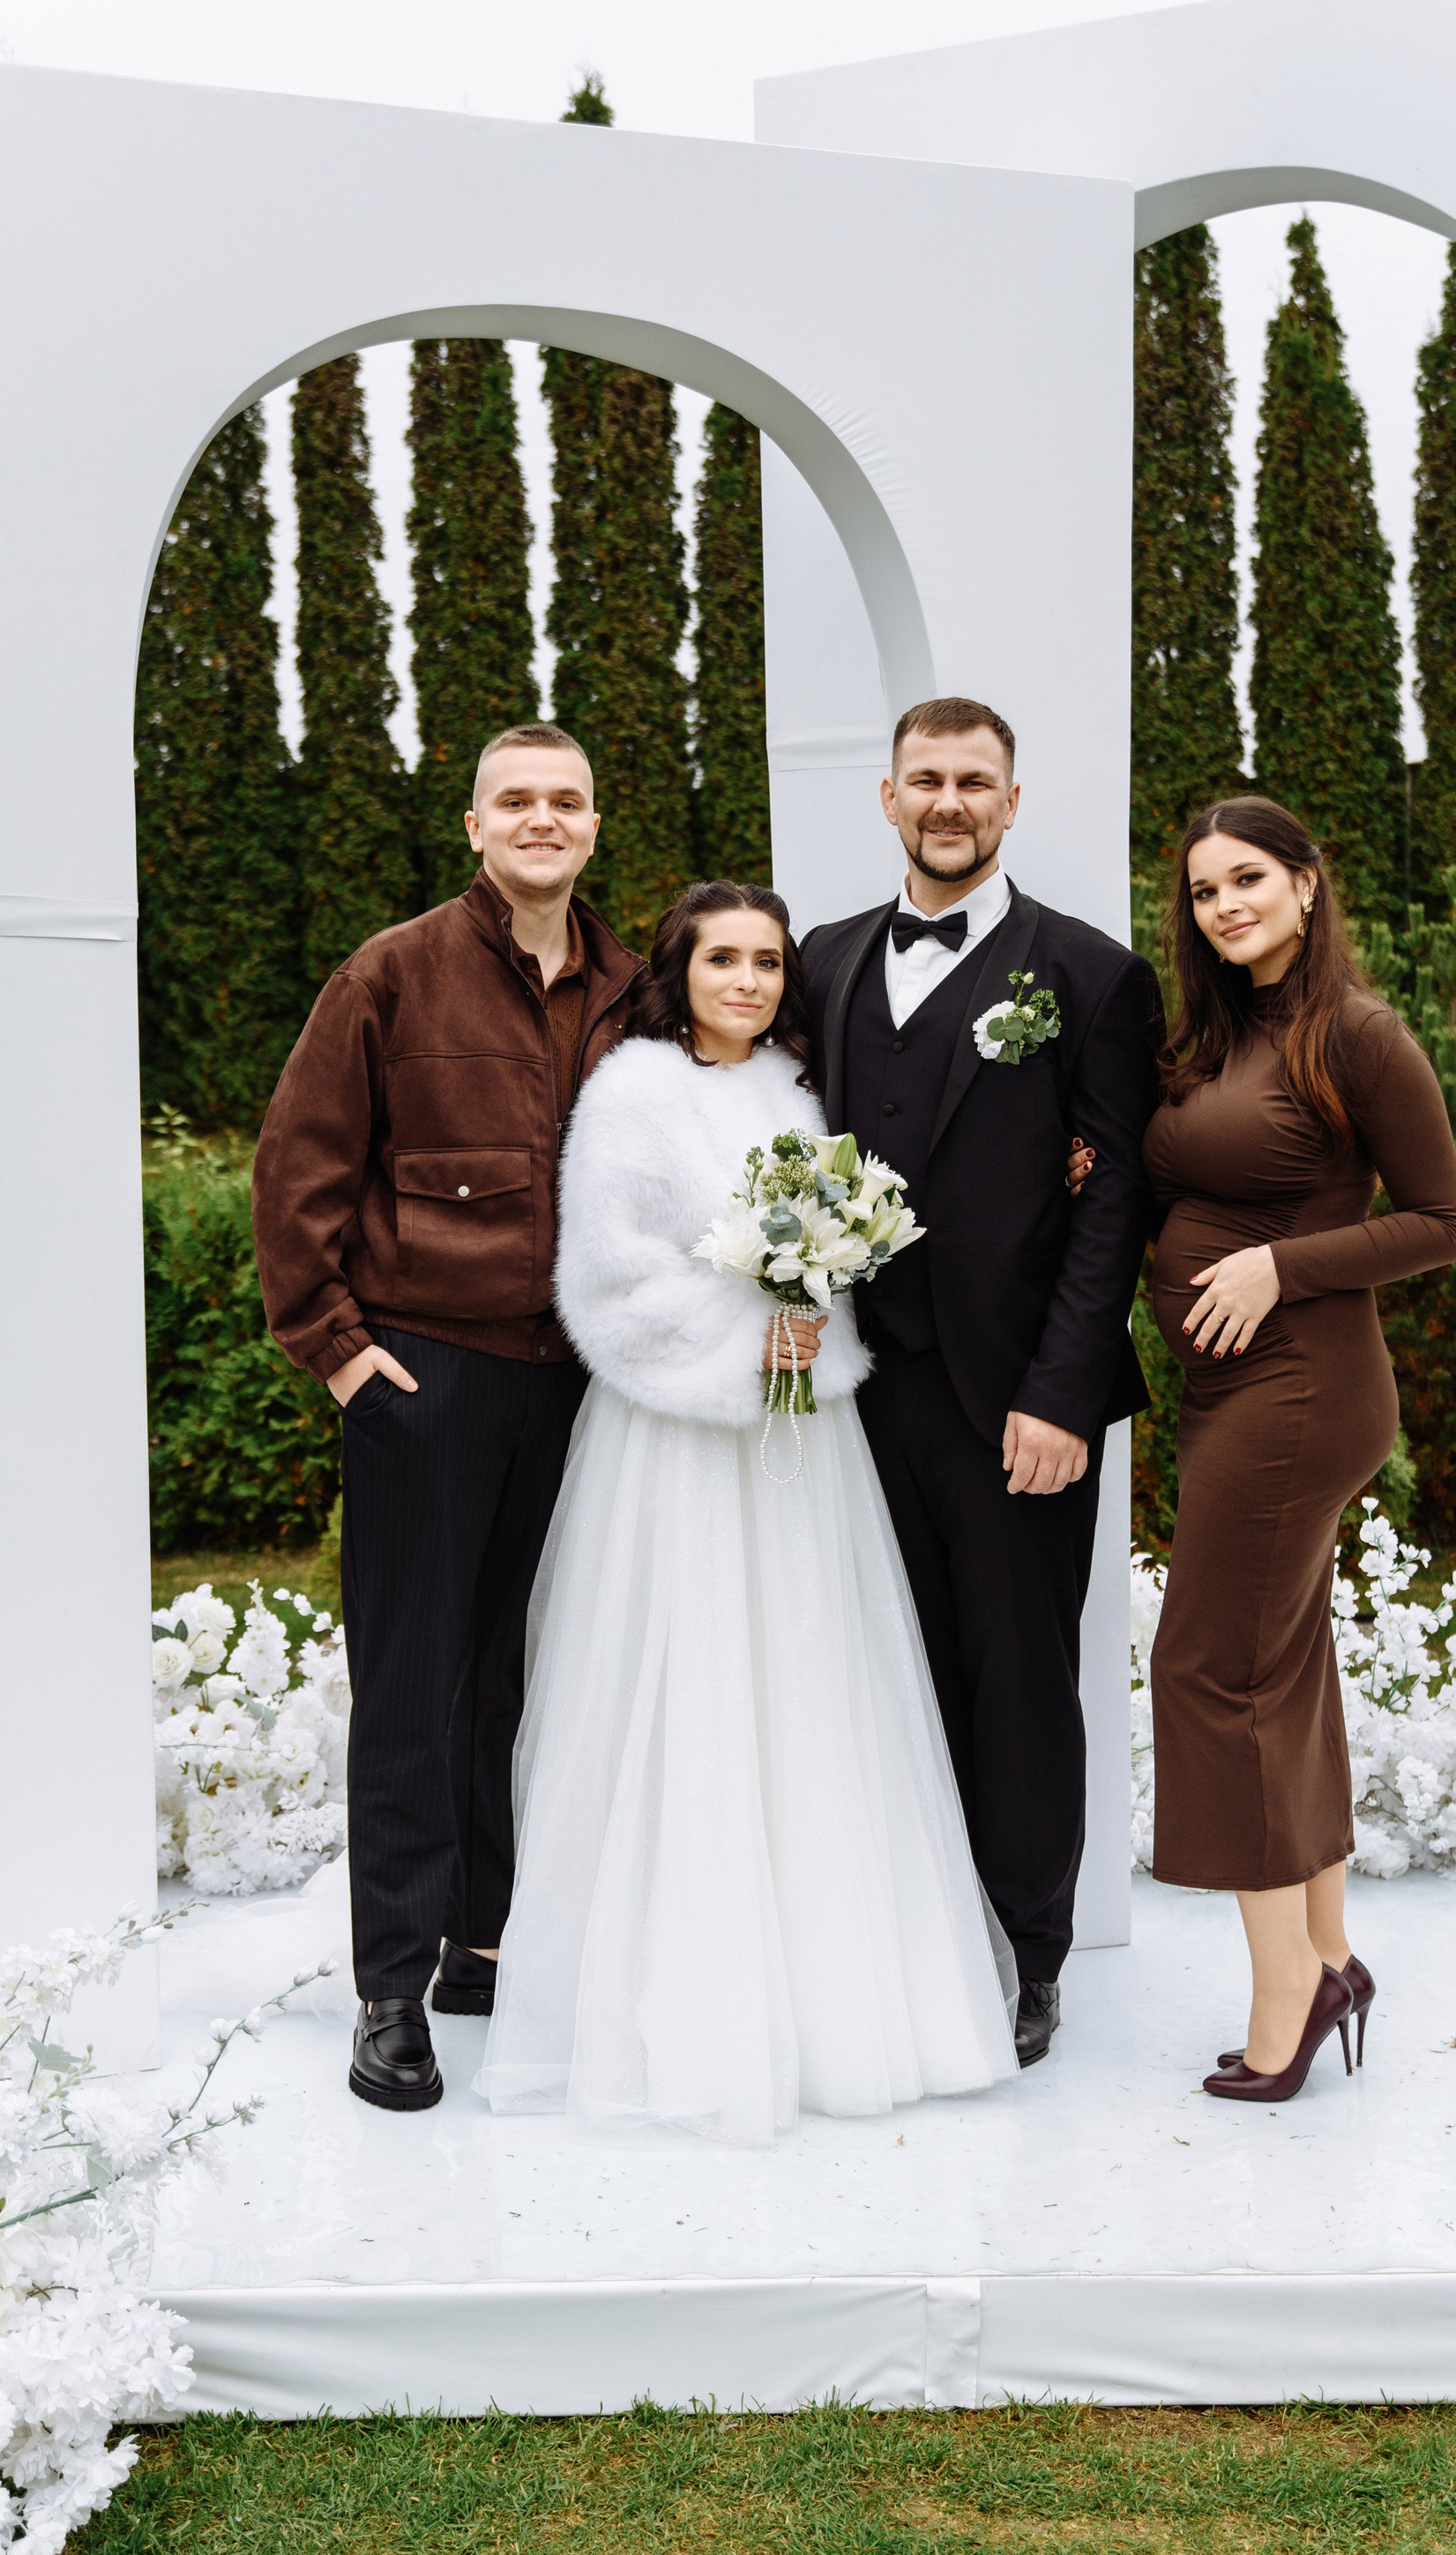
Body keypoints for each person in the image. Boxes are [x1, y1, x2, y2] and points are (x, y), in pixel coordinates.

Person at [474, 881, 1018, 2142]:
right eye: (723, 959)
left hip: (798, 1441)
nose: (748, 981)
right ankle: (685, 2001)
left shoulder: (794, 1091)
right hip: (675, 1444)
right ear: (679, 970)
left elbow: (834, 1250)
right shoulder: (632, 1093)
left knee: (809, 1684)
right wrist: (747, 1328)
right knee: (689, 1684)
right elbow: (606, 1278)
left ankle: (832, 1996)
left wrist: (812, 1314)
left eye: (768, 962)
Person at [251, 723, 645, 2113]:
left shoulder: (635, 987)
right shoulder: (392, 972)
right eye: (515, 800)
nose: (543, 819)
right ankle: (391, 1989)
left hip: (581, 1384)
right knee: (415, 1685)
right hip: (427, 1372)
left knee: (525, 1675)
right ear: (474, 825)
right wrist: (341, 1355)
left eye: (565, 800)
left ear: (593, 823)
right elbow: (298, 1170)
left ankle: (486, 1944)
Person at [798, 698, 1165, 2067]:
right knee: (879, 1670)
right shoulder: (823, 960)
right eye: (926, 779)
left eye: (974, 781)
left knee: (1017, 1681)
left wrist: (1063, 1395)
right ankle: (908, 1936)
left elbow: (1112, 1202)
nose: (948, 801)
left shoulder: (1090, 975)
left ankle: (1028, 1950)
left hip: (1017, 1402)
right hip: (855, 1396)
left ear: (1011, 802)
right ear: (888, 798)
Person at [1143, 796, 1456, 2103]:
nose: (1226, 905)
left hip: (1302, 1387)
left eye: (1249, 879)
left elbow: (1442, 1222)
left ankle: (1288, 1988)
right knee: (1280, 1670)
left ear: (1307, 883)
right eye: (1205, 890)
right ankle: (1329, 1952)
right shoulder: (1219, 1034)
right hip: (1233, 1392)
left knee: (1207, 1668)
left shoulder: (1359, 1035)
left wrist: (1282, 1265)